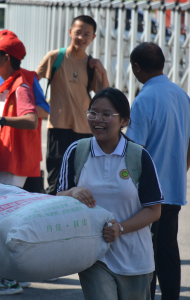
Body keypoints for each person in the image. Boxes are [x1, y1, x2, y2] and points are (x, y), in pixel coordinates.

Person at [57, 87, 164, 300]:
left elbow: (154, 210)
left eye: (107, 114)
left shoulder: (139, 156)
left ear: (124, 121)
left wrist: (120, 228)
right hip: (93, 258)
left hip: (136, 260)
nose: (98, 119)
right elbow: (56, 200)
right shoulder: (76, 152)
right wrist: (73, 192)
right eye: (93, 113)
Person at [126, 42, 190, 300]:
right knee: (167, 250)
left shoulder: (144, 99)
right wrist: (177, 175)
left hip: (149, 194)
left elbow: (135, 151)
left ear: (136, 67)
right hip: (174, 190)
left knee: (146, 253)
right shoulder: (181, 95)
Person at [0, 30, 42, 296]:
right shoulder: (1, 81)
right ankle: (15, 275)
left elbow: (32, 119)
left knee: (5, 220)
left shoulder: (20, 84)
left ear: (5, 57)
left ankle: (10, 279)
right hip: (5, 158)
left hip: (16, 161)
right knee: (7, 218)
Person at [36, 15, 110, 196]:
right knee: (55, 178)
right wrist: (39, 106)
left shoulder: (92, 65)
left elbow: (106, 96)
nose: (81, 38)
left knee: (79, 178)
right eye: (78, 33)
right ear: (70, 32)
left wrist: (103, 71)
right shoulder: (55, 57)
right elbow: (33, 81)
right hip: (58, 127)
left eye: (87, 34)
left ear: (93, 38)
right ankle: (49, 219)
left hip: (84, 129)